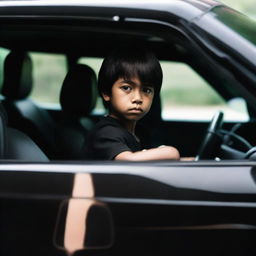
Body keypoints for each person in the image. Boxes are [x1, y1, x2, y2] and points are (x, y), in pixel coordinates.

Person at [81, 45, 180, 161]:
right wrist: (171, 152)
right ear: (106, 93)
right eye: (126, 88)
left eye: (146, 90)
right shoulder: (105, 133)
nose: (138, 98)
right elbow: (128, 161)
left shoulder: (140, 132)